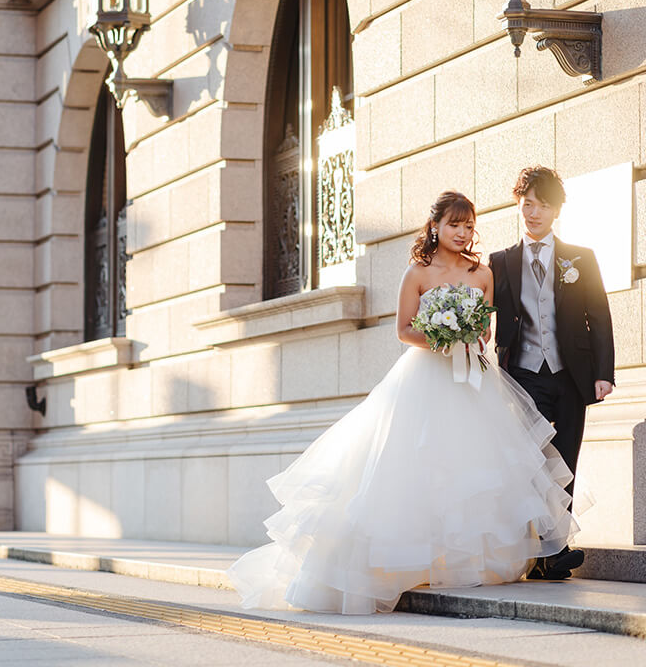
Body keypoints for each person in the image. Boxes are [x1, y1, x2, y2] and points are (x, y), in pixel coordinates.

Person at [228, 191, 578, 614]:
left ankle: (466, 559)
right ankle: (414, 559)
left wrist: (471, 335)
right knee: (417, 462)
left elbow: (486, 330)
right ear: (435, 226)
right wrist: (442, 338)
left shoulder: (481, 273)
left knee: (470, 468)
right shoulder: (417, 272)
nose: (462, 233)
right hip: (426, 374)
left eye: (469, 226)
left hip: (472, 378)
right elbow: (402, 330)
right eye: (454, 224)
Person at [489, 166, 615, 581]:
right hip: (523, 378)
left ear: (556, 210)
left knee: (567, 460)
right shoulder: (500, 262)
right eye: (527, 204)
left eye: (542, 205)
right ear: (519, 205)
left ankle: (551, 553)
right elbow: (485, 314)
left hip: (571, 376)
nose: (534, 212)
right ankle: (552, 551)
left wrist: (604, 372)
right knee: (535, 465)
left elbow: (598, 316)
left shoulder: (582, 257)